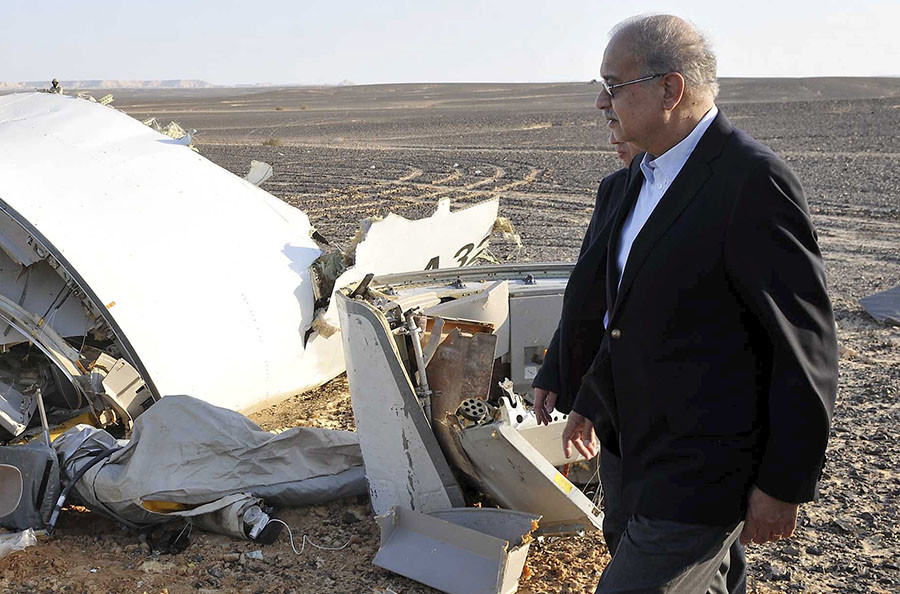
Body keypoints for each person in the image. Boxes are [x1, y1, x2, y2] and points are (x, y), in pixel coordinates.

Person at [536, 14, 838, 594]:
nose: (602, 103)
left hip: (702, 471)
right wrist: (590, 399)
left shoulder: (750, 182)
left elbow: (805, 349)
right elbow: (623, 317)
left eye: (613, 85)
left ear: (670, 89)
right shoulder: (635, 181)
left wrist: (783, 484)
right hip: (631, 454)